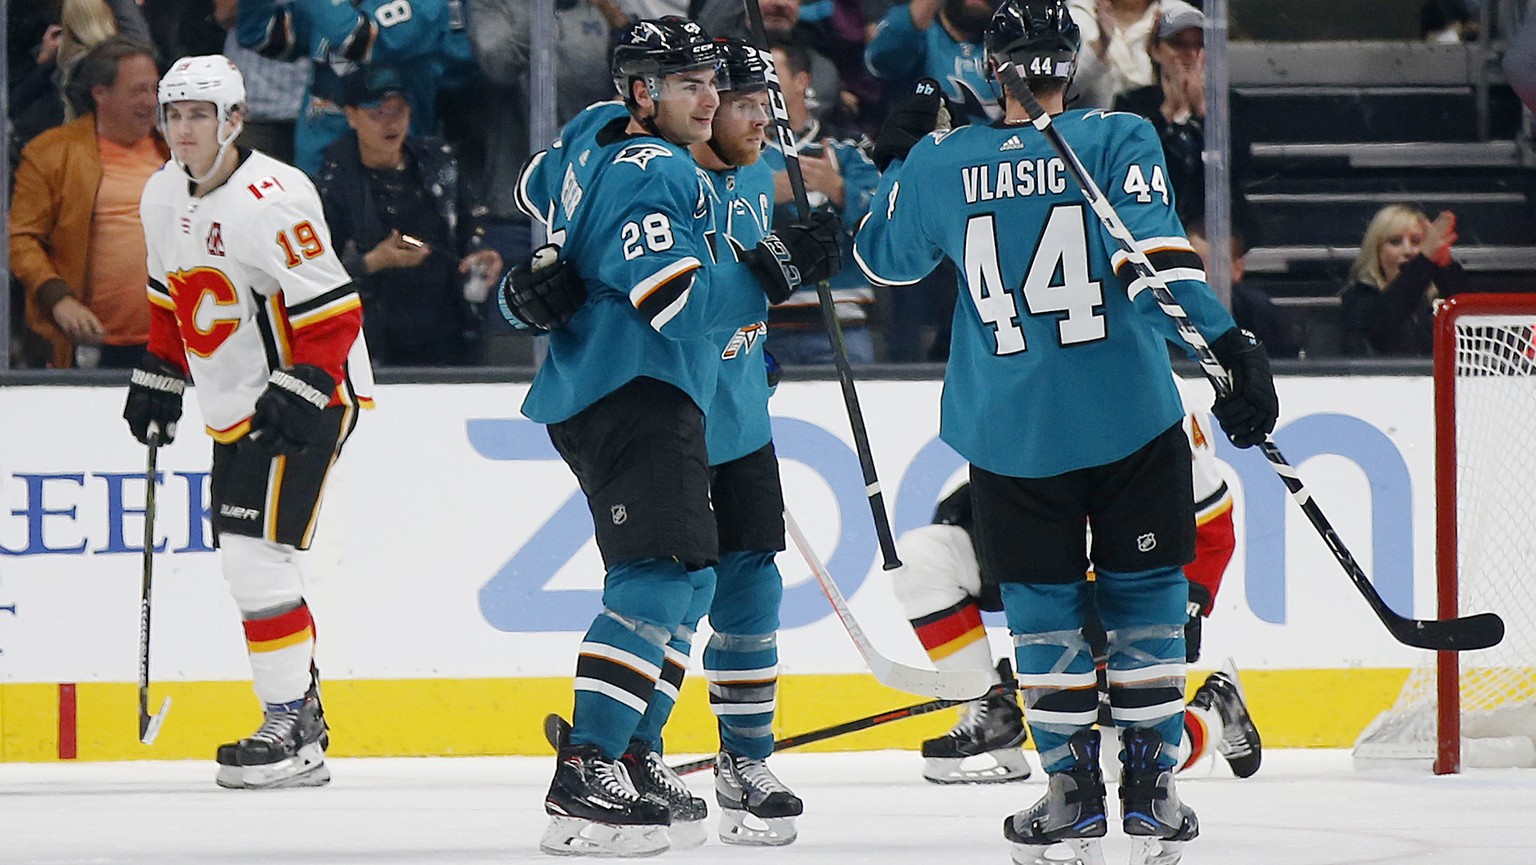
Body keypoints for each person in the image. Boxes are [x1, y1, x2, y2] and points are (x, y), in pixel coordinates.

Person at [852, 1, 1278, 862]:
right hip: (1128, 417)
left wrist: (895, 161)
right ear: (1070, 61)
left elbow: (879, 257)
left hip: (1013, 435)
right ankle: (1152, 794)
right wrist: (1229, 346)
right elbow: (1154, 266)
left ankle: (1070, 795)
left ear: (992, 66)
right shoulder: (1118, 138)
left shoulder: (944, 159)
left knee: (1043, 618)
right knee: (1143, 604)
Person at [508, 19, 840, 858]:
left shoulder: (749, 172)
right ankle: (598, 758)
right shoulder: (655, 166)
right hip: (651, 393)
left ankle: (707, 760)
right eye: (729, 96)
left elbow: (541, 185)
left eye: (753, 95)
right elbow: (669, 294)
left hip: (727, 408)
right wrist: (533, 280)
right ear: (656, 95)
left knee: (730, 588)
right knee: (664, 579)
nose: (756, 114)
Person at [122, 55, 373, 789]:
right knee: (249, 556)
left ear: (234, 121)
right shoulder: (162, 194)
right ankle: (300, 718)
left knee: (253, 558)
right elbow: (173, 296)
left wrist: (303, 386)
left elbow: (334, 310)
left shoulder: (274, 197)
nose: (184, 128)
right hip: (233, 400)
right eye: (174, 114)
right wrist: (160, 375)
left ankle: (290, 723)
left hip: (311, 392)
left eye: (200, 114)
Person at [890, 401, 1262, 785]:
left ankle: (1217, 710)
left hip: (1122, 587)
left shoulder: (1160, 398)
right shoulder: (1023, 372)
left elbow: (1213, 526)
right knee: (923, 558)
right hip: (1038, 564)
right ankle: (989, 710)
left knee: (1128, 764)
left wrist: (1189, 601)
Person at [316, 64, 502, 366]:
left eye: (398, 110)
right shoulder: (331, 184)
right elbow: (315, 275)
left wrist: (480, 255)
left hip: (447, 332)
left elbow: (471, 224)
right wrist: (372, 262)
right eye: (378, 113)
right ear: (351, 115)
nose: (391, 123)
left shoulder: (437, 161)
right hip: (372, 341)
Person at [10, 35, 167, 370]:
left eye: (155, 89)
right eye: (138, 90)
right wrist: (58, 299)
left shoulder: (178, 152)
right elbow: (23, 239)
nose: (151, 101)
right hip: (92, 345)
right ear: (100, 94)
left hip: (170, 341)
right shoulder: (50, 154)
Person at [761, 39, 883, 365]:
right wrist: (759, 194)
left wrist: (839, 190)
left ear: (802, 81)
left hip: (843, 326)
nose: (760, 84)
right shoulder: (743, 155)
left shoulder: (849, 147)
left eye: (770, 73)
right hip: (764, 328)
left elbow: (887, 220)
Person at [1339, 204, 1467, 357]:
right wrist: (1424, 260)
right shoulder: (1359, 297)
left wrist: (1443, 263)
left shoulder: (1441, 298)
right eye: (1395, 242)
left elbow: (1477, 330)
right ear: (1377, 250)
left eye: (1417, 241)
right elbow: (1383, 330)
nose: (1408, 251)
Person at [1188, 220, 1303, 360]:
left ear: (1237, 268)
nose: (1203, 272)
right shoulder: (1161, 306)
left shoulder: (1261, 314)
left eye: (1217, 263)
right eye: (1192, 261)